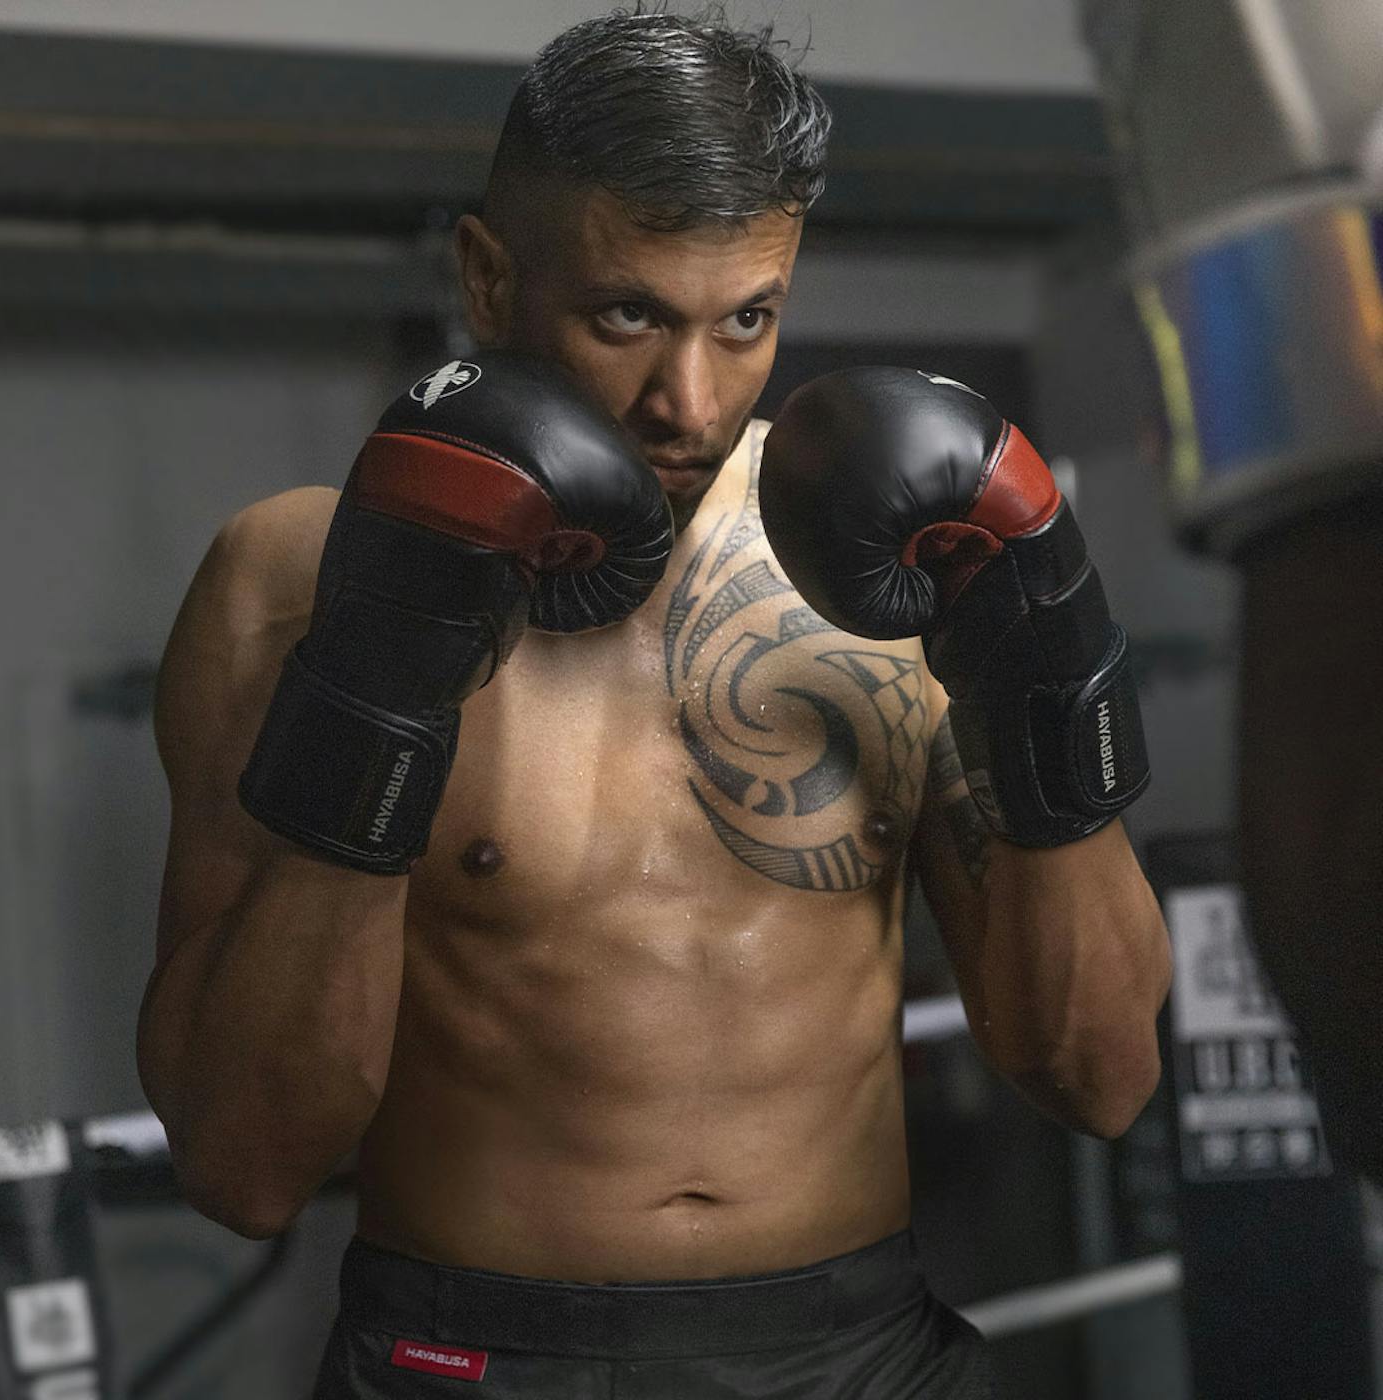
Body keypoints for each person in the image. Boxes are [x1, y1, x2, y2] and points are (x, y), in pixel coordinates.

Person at [137, 9, 1172, 1397]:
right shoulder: (289, 580)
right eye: (628, 315)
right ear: (489, 278)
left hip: (862, 1353)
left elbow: (1099, 1077)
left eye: (747, 321)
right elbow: (241, 1163)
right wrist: (377, 687)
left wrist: (1040, 658)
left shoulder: (900, 575)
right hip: (477, 1359)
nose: (688, 399)